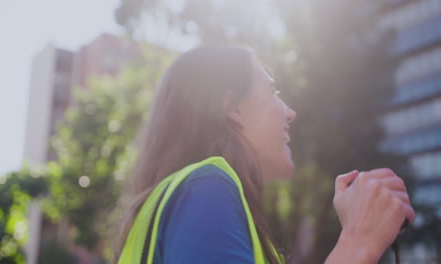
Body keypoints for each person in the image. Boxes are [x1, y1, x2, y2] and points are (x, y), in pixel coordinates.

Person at [114, 46, 416, 264]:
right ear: (233, 109)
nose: (291, 113)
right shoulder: (206, 187)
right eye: (274, 93)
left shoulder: (188, 197)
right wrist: (359, 242)